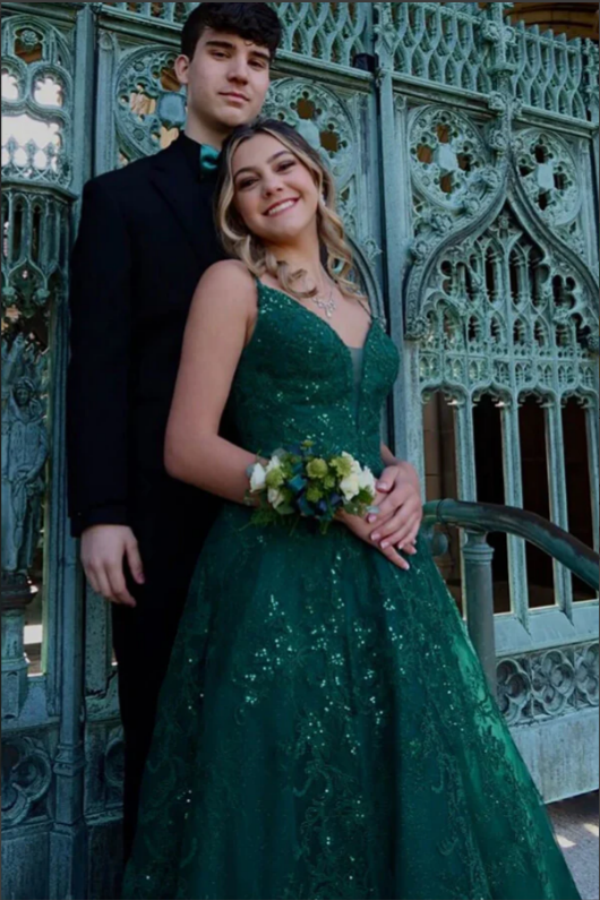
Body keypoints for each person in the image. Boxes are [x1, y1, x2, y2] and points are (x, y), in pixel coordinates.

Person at [121, 120, 580, 900]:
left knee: (400, 770)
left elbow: (358, 426)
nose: (271, 187)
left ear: (317, 176)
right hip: (278, 573)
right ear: (234, 208)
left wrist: (404, 475)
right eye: (247, 181)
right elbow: (188, 447)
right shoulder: (231, 285)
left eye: (284, 167)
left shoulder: (356, 295)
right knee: (291, 777)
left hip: (385, 576)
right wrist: (329, 500)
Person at [66, 3, 283, 862]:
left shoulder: (287, 200)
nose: (239, 72)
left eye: (256, 60)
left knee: (272, 731)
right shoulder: (120, 200)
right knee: (168, 731)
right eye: (221, 54)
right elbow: (99, 363)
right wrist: (101, 512)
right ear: (181, 70)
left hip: (283, 515)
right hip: (163, 515)